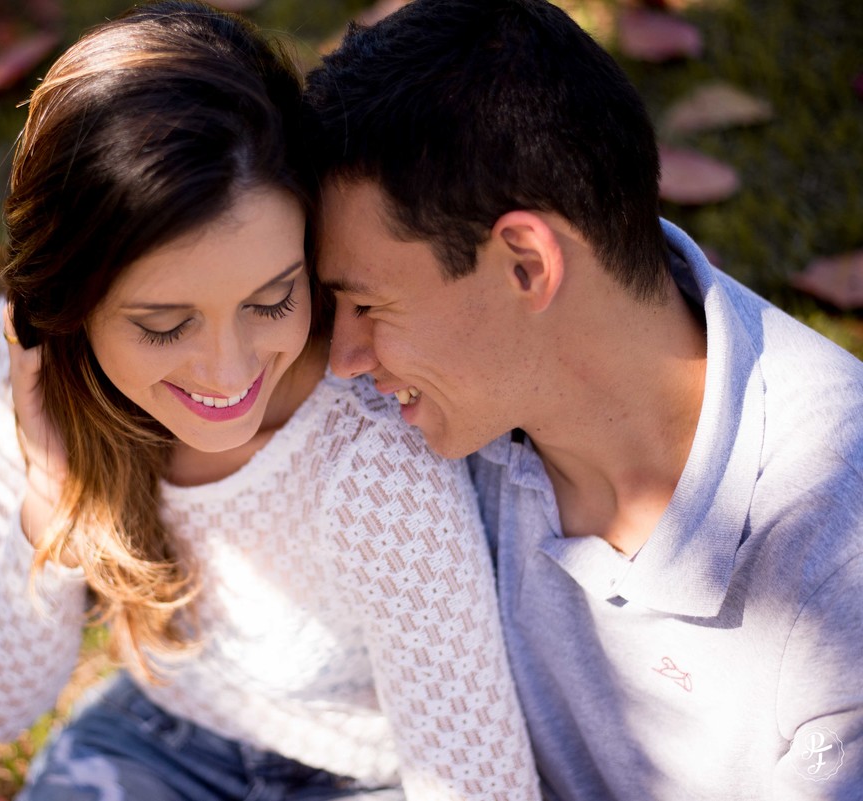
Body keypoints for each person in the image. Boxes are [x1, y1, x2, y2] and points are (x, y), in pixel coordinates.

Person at [0, 3, 540, 799]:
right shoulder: (40, 366)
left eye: (271, 299)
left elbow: (476, 785)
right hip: (163, 739)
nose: (227, 373)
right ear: (70, 305)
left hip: (368, 775)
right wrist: (51, 499)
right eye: (165, 323)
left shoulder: (372, 458)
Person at [303, 0, 863, 799]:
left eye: (368, 307)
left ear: (526, 264)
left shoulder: (838, 558)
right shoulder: (447, 411)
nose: (344, 361)